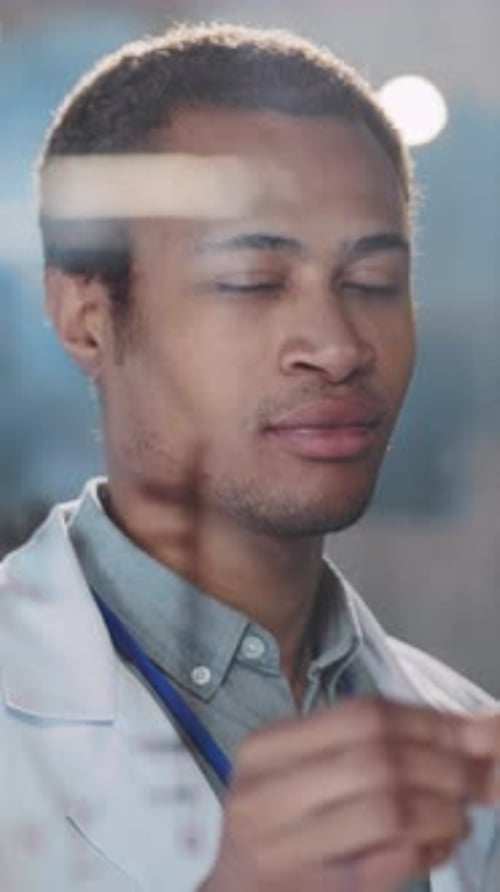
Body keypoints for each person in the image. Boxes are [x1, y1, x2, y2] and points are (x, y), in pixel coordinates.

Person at [1, 22, 499, 892]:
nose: (339, 347)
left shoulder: (460, 729)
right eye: (253, 283)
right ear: (87, 317)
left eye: (373, 283)